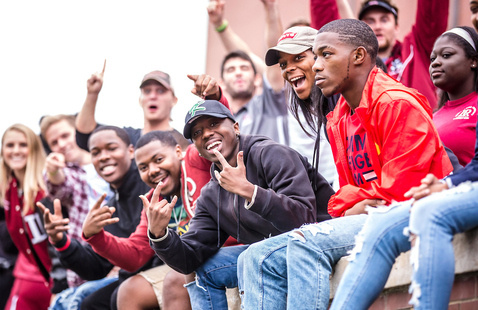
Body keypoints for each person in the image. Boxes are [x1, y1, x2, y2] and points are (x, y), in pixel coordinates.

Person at [237, 18, 453, 310]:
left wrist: (350, 202)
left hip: (409, 214)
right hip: (368, 215)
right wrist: (351, 203)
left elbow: (402, 190)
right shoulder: (338, 117)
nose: (315, 66)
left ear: (359, 56)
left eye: (325, 55)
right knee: (255, 258)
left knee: (304, 244)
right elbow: (344, 197)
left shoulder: (394, 103)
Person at [329, 25, 478, 310]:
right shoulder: (435, 115)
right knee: (379, 226)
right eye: (432, 57)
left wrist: (447, 184)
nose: (435, 62)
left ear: (474, 60)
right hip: (440, 190)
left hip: (445, 195)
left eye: (446, 55)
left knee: (426, 210)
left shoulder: (399, 103)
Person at [144, 99, 334, 310]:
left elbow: (305, 220)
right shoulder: (211, 194)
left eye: (213, 124)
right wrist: (159, 235)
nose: (206, 134)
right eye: (197, 133)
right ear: (197, 149)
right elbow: (189, 257)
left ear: (235, 127)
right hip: (270, 253)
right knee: (202, 269)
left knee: (253, 255)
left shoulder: (270, 153)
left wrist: (249, 191)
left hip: (316, 241)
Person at [39, 125, 151, 309]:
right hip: (133, 278)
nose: (104, 156)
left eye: (111, 148)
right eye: (96, 152)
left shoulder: (149, 183)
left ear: (131, 151)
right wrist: (60, 240)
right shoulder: (110, 207)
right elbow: (96, 267)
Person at [310, 0, 449, 110]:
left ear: (396, 27)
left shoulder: (416, 48)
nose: (377, 26)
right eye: (370, 21)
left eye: (384, 20)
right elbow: (325, 21)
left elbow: (432, 13)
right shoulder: (348, 60)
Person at [39, 114, 113, 290]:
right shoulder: (68, 172)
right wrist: (53, 171)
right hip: (88, 259)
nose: (62, 144)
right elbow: (59, 186)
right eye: (54, 143)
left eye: (65, 136)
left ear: (78, 132)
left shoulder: (109, 160)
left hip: (121, 246)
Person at [75, 62, 190, 152]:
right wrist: (92, 94)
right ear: (140, 100)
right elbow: (85, 137)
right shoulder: (126, 138)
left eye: (161, 91)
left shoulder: (185, 144)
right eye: (147, 91)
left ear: (174, 100)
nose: (153, 96)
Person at [0, 124, 51, 310]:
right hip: (27, 277)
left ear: (34, 149)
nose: (16, 151)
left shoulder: (47, 188)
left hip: (57, 281)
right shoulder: (10, 189)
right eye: (10, 145)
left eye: (23, 145)